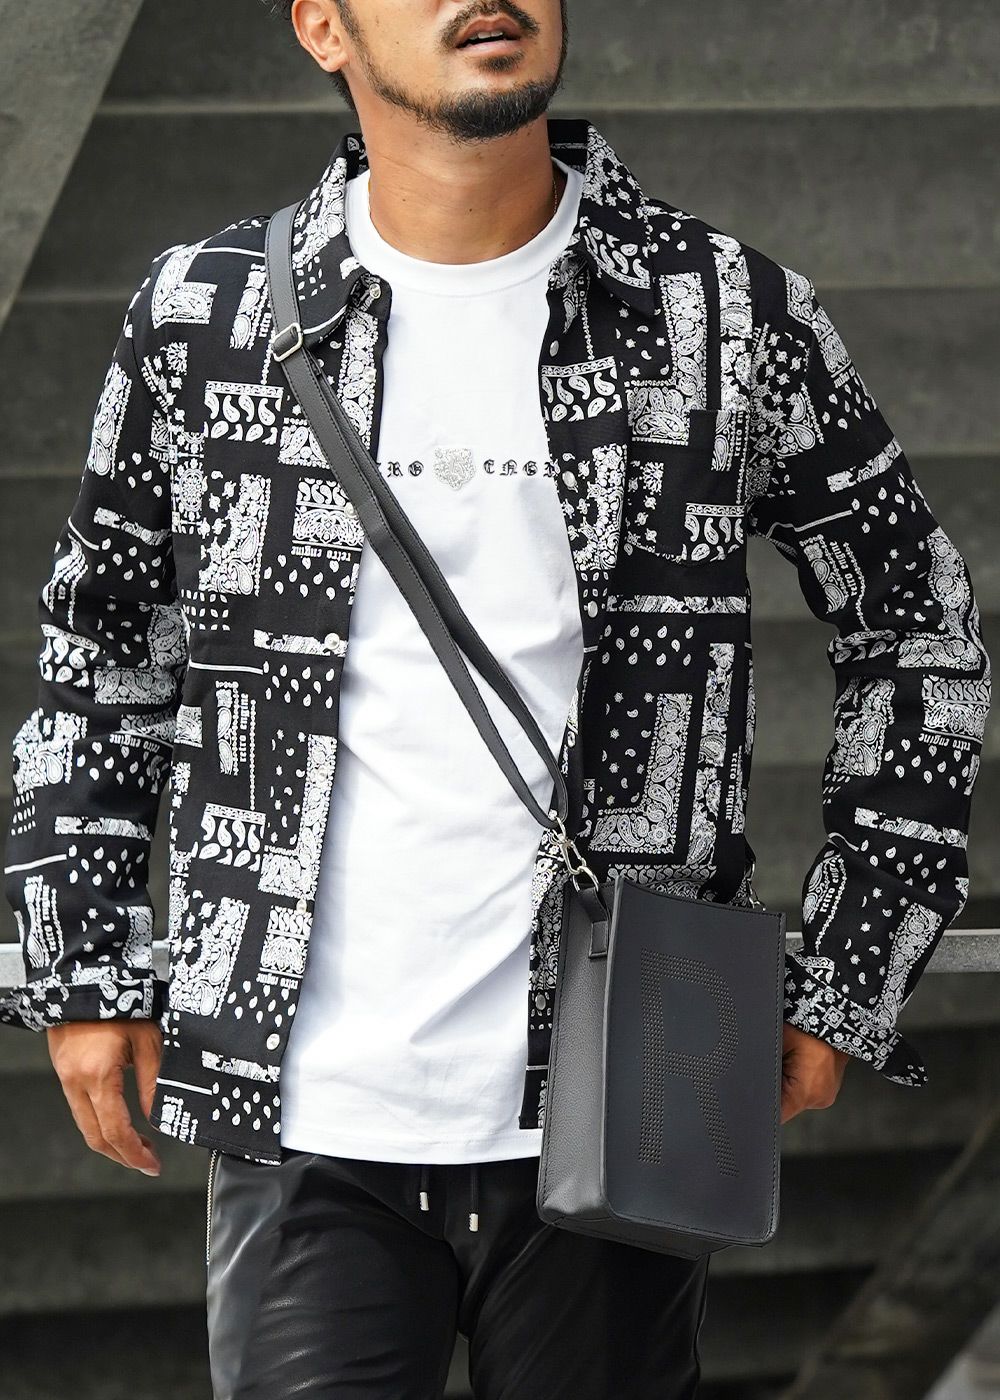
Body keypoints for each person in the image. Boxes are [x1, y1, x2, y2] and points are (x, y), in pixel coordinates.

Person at [1, 1, 990, 1396]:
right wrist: (83, 960)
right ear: (323, 26)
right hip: (301, 1111)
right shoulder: (206, 314)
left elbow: (916, 627)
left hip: (622, 1096)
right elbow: (102, 654)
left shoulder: (723, 309)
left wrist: (846, 969)